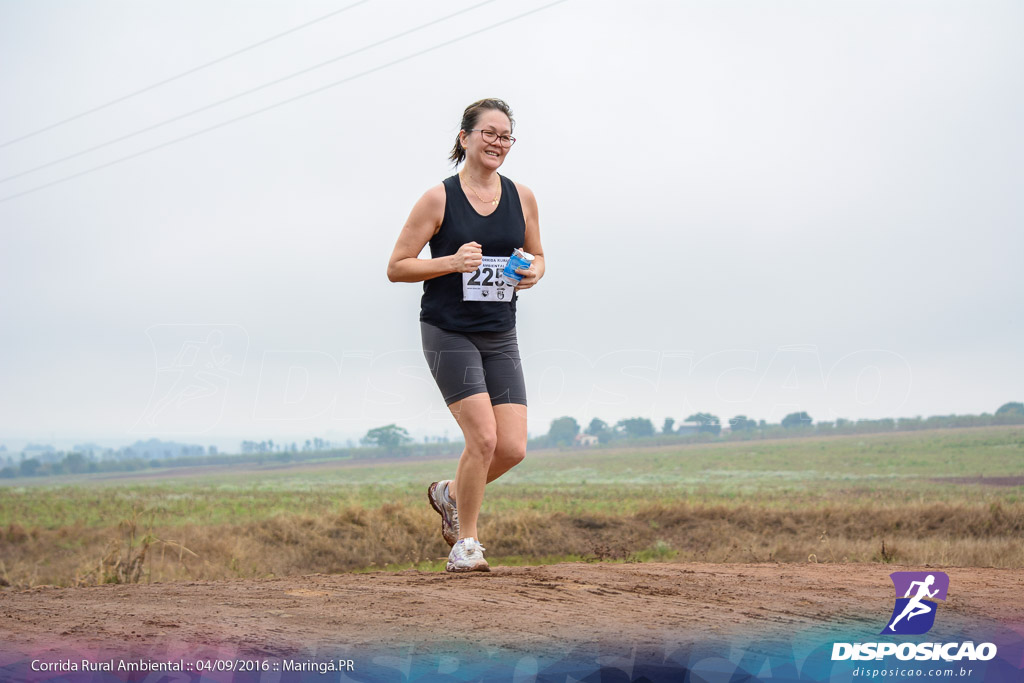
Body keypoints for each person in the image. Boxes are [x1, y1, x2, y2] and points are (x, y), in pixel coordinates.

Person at [386, 98, 544, 573]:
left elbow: (538, 256)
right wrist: (451, 262)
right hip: (448, 330)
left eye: (505, 136)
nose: (498, 143)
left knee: (512, 447)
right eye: (489, 133)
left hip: (500, 332)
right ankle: (467, 544)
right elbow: (397, 267)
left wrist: (532, 272)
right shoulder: (439, 198)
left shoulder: (523, 196)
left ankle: (449, 494)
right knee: (483, 438)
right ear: (465, 138)